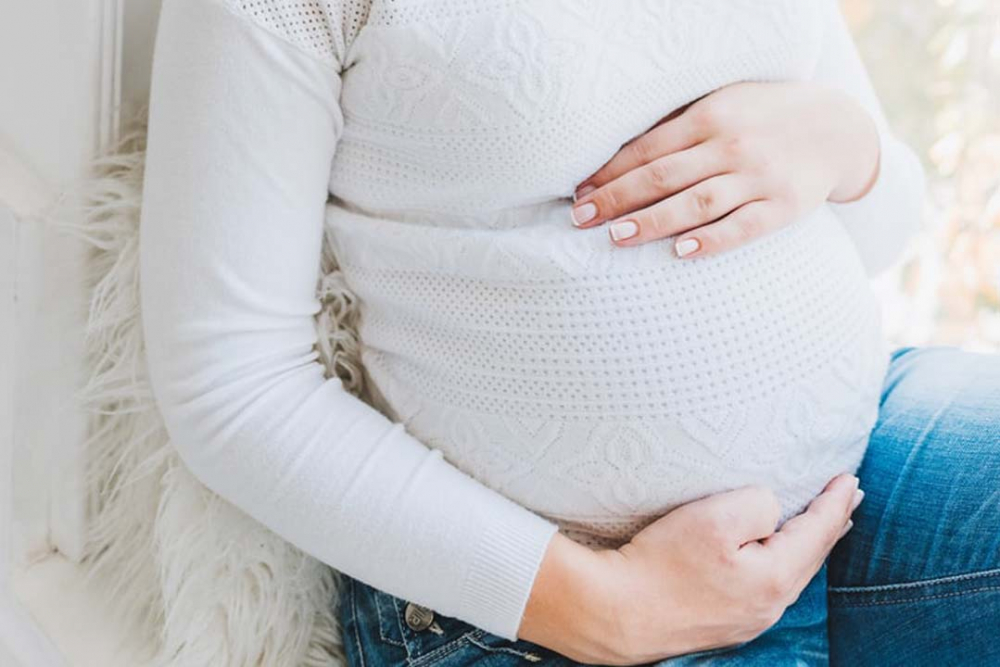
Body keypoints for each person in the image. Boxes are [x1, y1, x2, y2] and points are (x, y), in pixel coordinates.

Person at [138, 0, 1000, 664]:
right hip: (542, 605)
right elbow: (231, 385)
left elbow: (879, 229)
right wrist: (608, 606)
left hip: (853, 477)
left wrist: (847, 145)